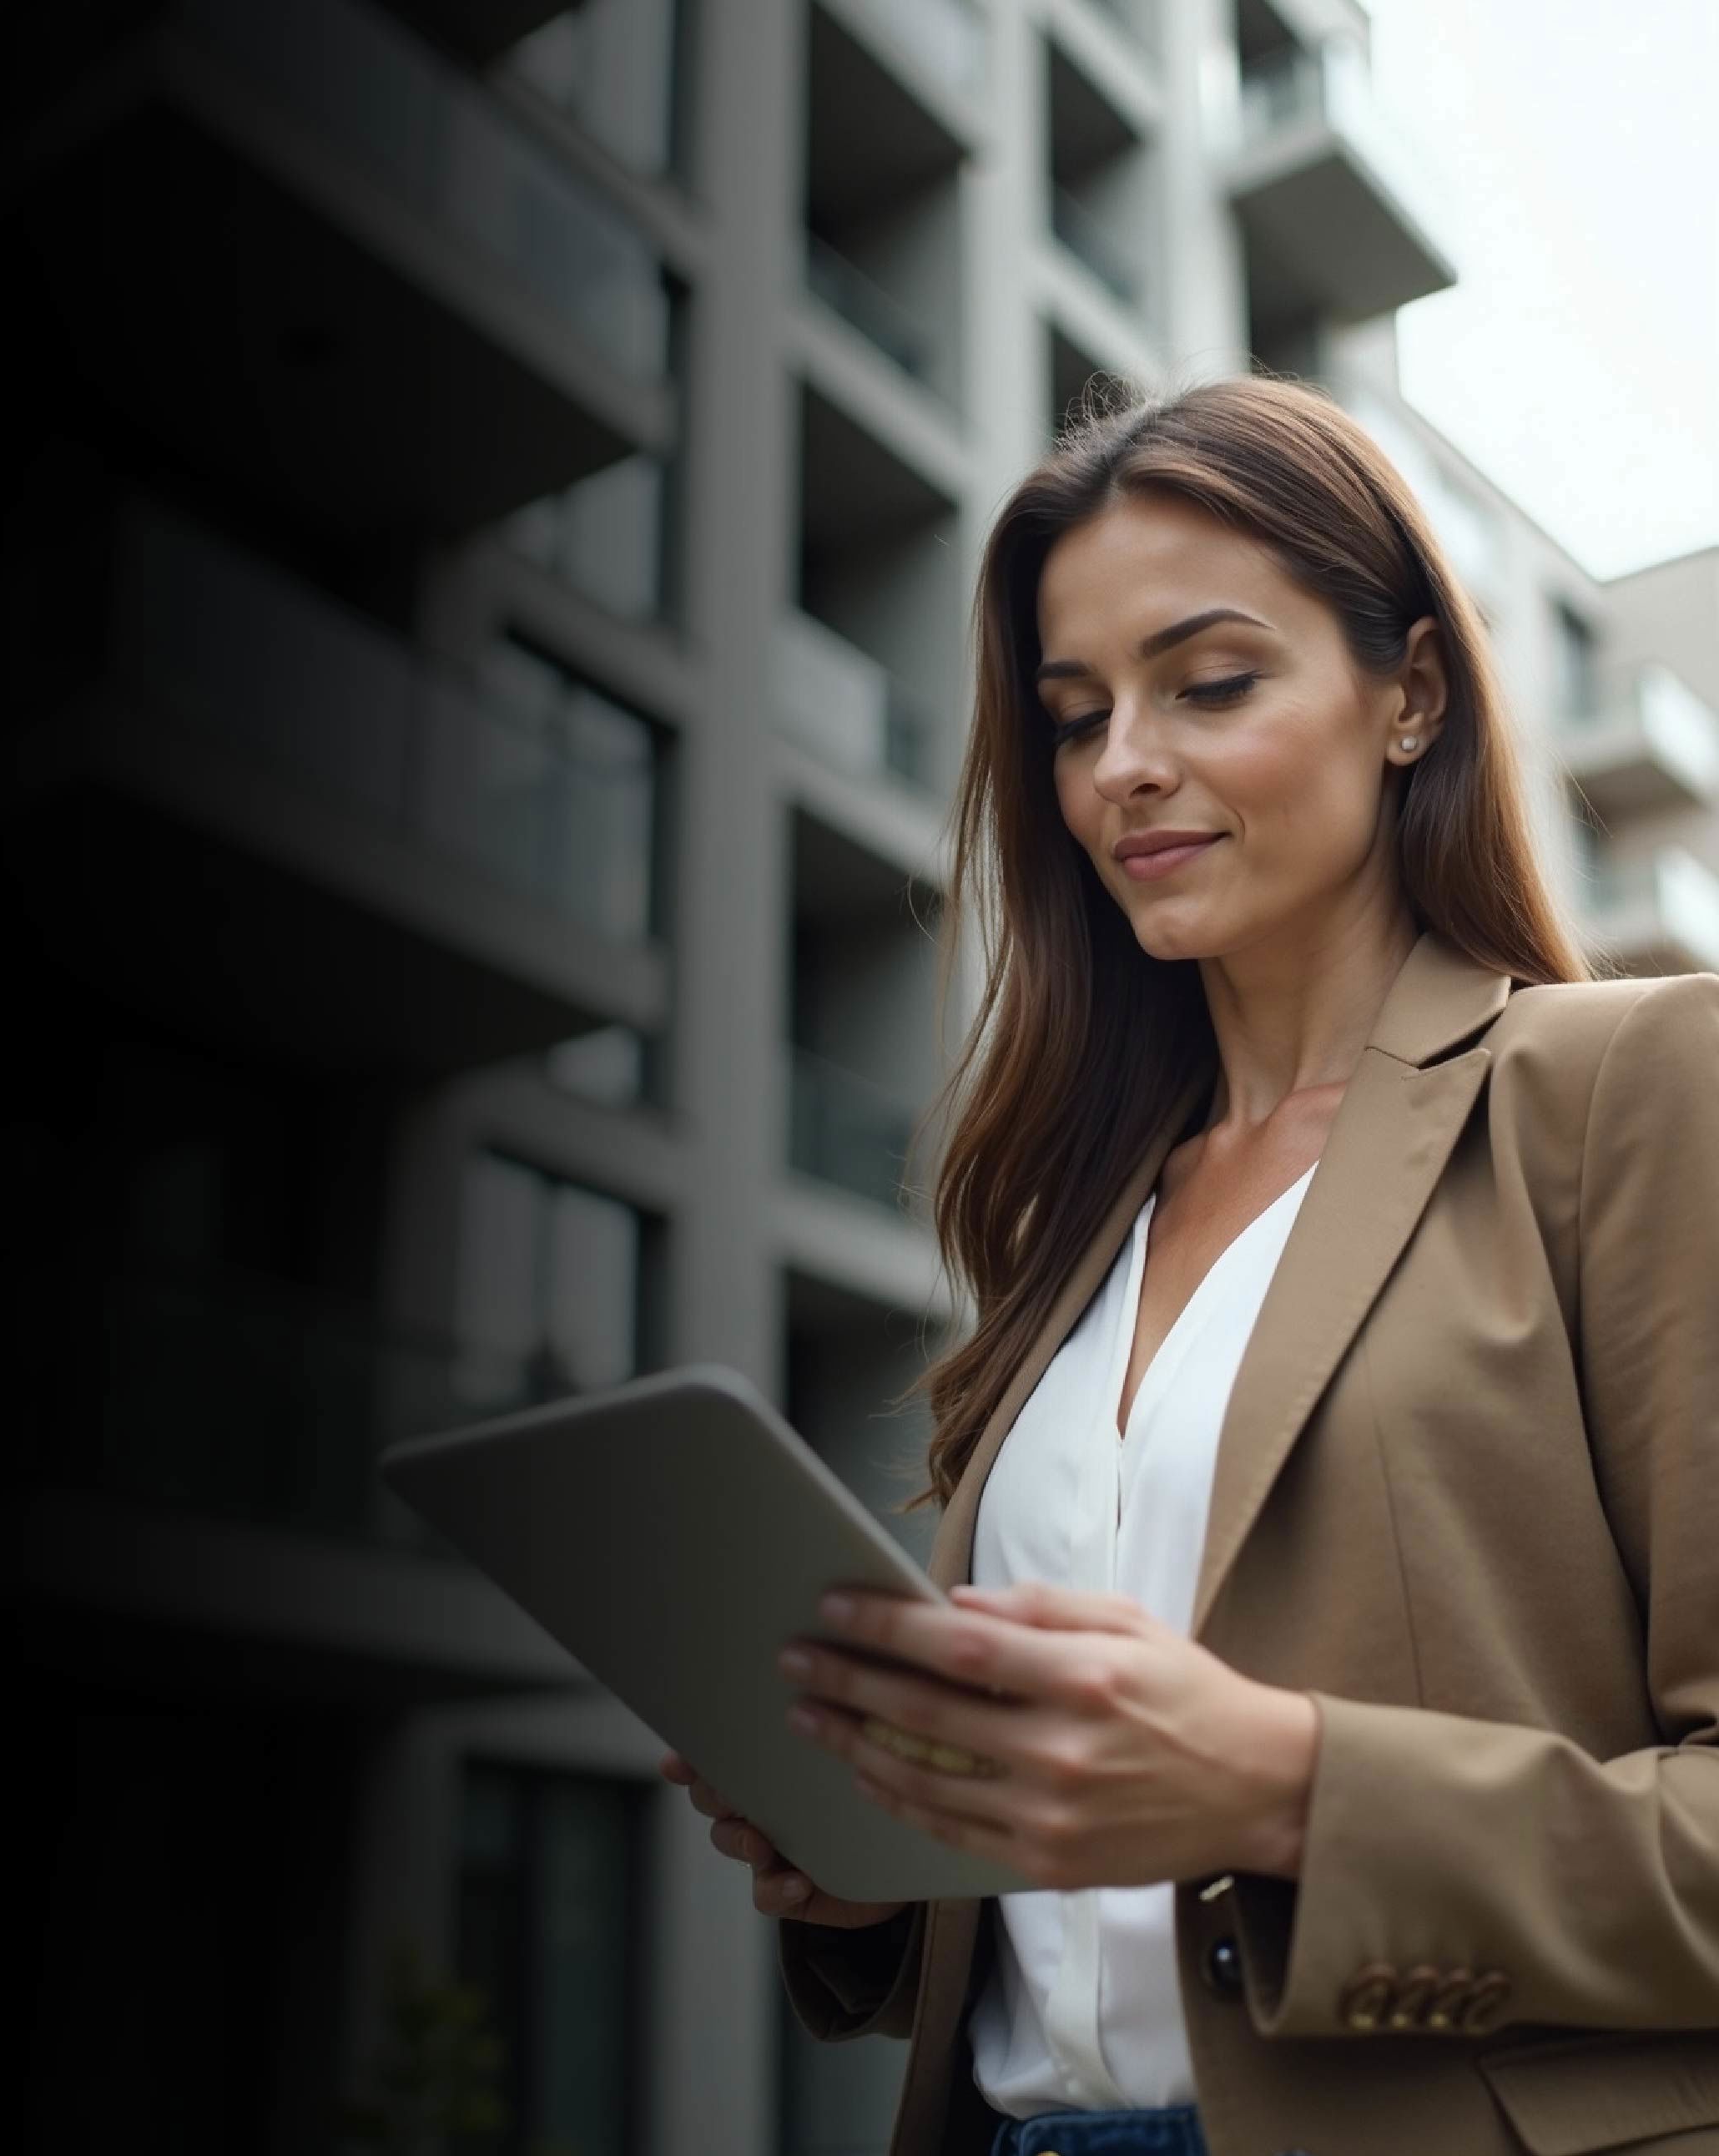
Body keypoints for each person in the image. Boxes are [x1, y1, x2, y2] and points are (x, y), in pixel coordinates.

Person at [659, 373, 1719, 2156]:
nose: (1123, 762)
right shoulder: (1075, 1210)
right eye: (1075, 717)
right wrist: (884, 1873)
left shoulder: (1625, 1091)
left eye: (1209, 682)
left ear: (1411, 694)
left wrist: (1296, 1787)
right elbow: (1095, 1929)